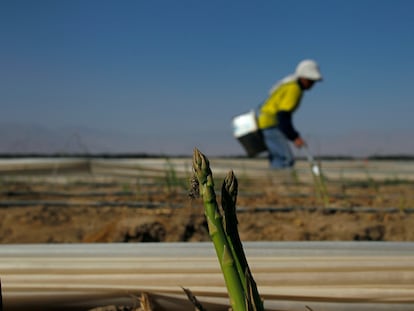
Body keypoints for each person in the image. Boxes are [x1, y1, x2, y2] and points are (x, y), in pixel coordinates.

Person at [257, 59, 323, 169]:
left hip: (265, 123)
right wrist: (294, 137)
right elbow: (283, 116)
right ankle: (281, 184)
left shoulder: (289, 85)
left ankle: (274, 182)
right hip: (270, 124)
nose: (313, 84)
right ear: (303, 77)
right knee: (285, 159)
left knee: (277, 157)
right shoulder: (294, 89)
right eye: (311, 80)